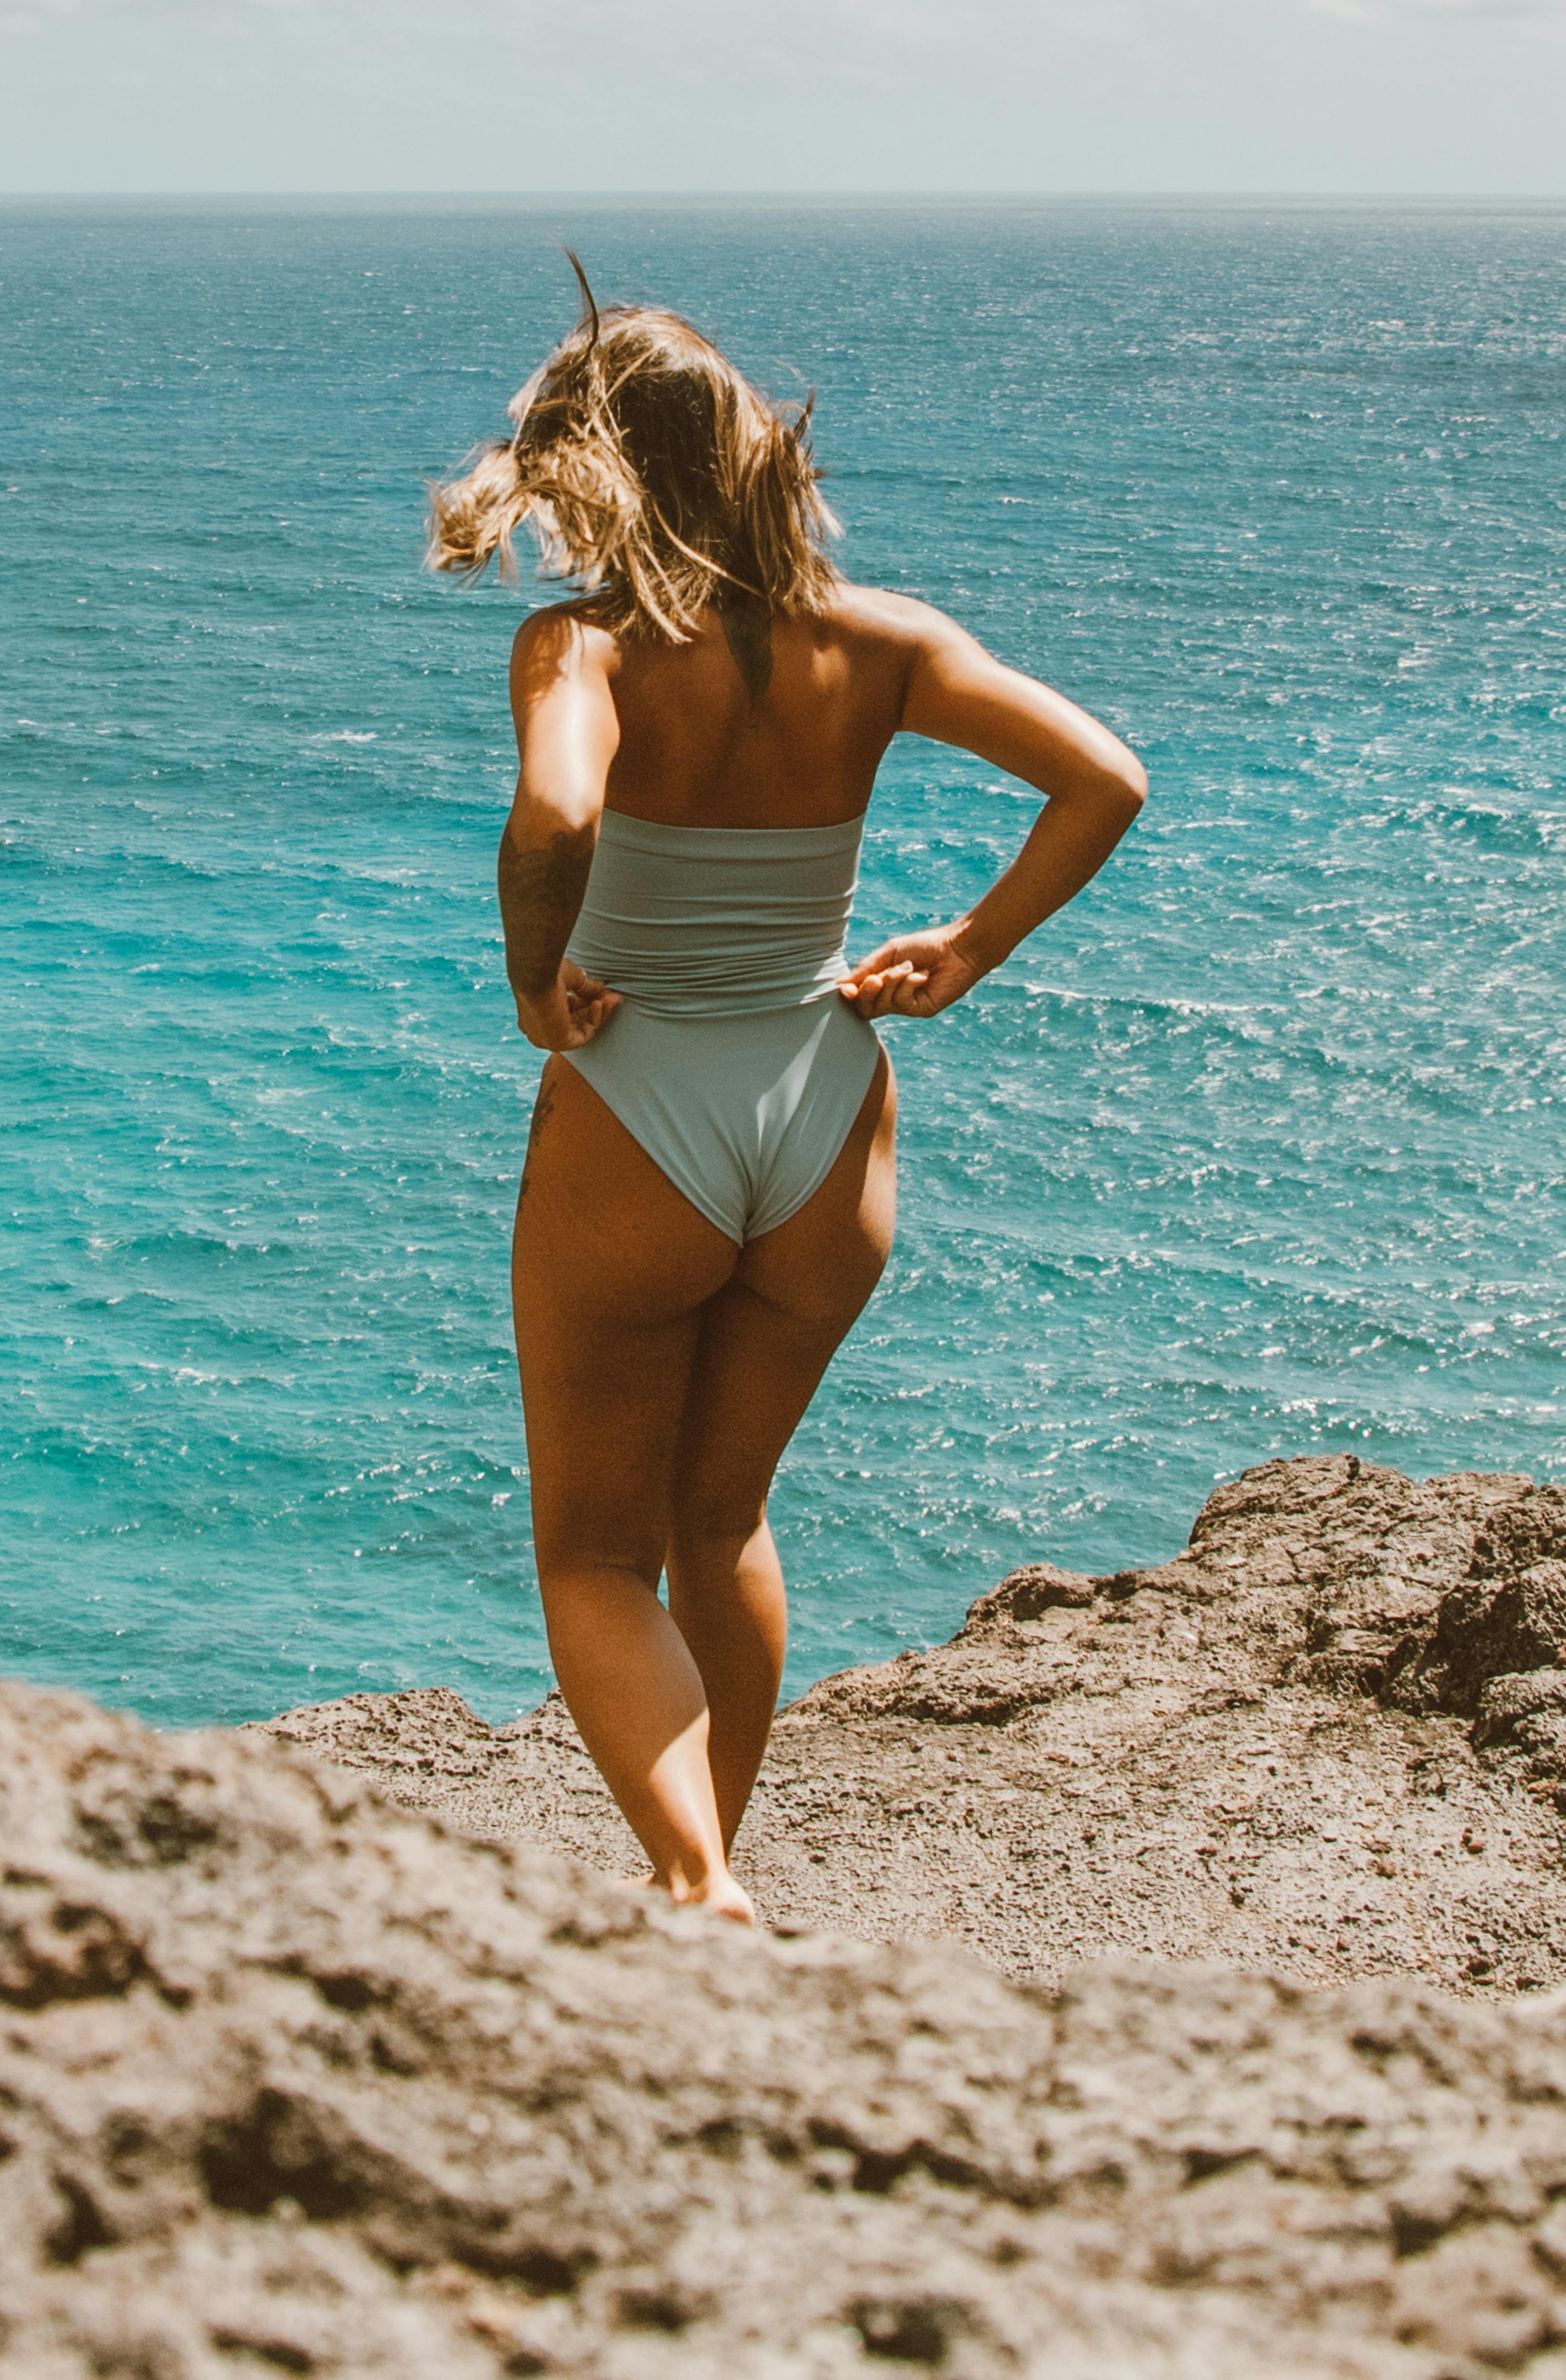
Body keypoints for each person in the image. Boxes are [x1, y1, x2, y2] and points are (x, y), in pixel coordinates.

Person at [428, 277, 1145, 1923]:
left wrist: (537, 983)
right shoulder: (883, 641)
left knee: (594, 1557)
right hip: (825, 1110)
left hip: (643, 1109)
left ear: (587, 469)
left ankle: (697, 1884)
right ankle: (709, 1880)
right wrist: (970, 946)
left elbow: (556, 817)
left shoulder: (585, 645)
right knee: (724, 1520)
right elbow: (1104, 778)